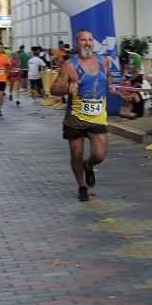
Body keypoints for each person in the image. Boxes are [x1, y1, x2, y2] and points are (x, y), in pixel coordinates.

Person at [50, 29, 117, 202]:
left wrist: (110, 85)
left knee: (99, 155)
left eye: (90, 40)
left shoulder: (103, 61)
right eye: (83, 40)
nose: (87, 43)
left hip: (97, 117)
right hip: (75, 118)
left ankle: (89, 166)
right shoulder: (69, 66)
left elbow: (108, 76)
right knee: (76, 154)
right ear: (76, 43)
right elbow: (53, 90)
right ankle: (81, 186)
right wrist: (67, 88)